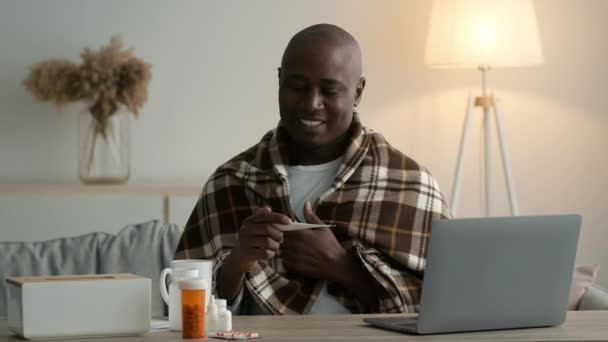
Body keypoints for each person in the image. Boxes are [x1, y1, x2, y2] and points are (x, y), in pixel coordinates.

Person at [174, 23, 450, 315]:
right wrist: (239, 260)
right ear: (279, 80)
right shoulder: (230, 182)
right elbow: (186, 312)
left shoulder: (411, 185)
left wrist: (340, 266)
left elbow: (442, 309)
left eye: (329, 90)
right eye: (297, 87)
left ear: (358, 91)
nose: (311, 103)